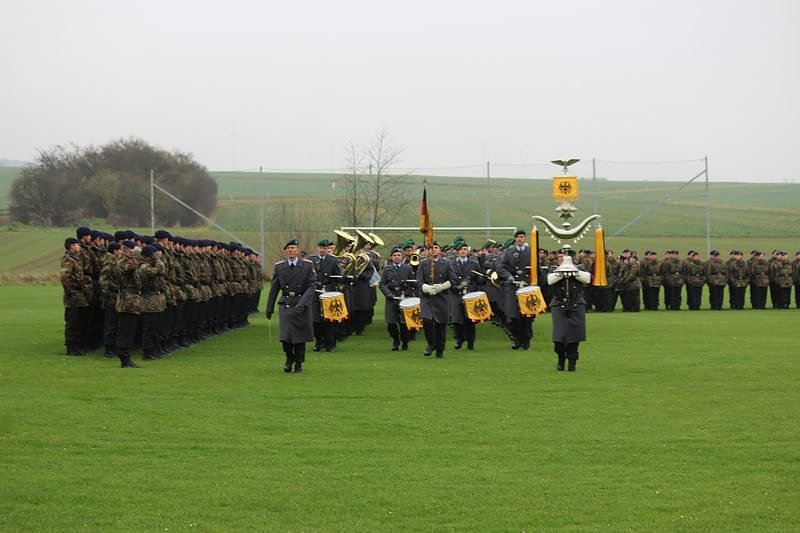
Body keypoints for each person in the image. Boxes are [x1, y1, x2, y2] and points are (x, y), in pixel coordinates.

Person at [265, 239, 317, 373]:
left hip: (301, 304)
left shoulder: (306, 266)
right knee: (286, 337)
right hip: (287, 303)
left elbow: (312, 286)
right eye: (288, 248)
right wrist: (269, 308)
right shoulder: (280, 267)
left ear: (297, 250)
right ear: (285, 251)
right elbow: (274, 288)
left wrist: (303, 303)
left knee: (300, 337)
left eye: (293, 248)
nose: (291, 250)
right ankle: (289, 358)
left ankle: (299, 363)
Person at [547, 248, 592, 371]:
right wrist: (561, 272)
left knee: (574, 337)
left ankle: (572, 363)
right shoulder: (553, 269)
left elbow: (588, 279)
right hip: (559, 304)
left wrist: (574, 272)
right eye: (560, 256)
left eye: (565, 257)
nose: (563, 259)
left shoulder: (580, 268)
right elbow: (549, 281)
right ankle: (561, 358)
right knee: (559, 337)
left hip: (576, 304)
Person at [494, 229, 535, 350]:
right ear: (515, 239)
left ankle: (526, 341)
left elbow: (536, 269)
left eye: (522, 237)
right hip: (513, 287)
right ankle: (516, 339)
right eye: (518, 237)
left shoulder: (531, 252)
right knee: (513, 316)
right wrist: (509, 276)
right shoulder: (509, 252)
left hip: (527, 287)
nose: (520, 239)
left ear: (525, 238)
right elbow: (500, 267)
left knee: (527, 317)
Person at [416, 241, 455, 358]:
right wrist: (425, 287)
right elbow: (419, 281)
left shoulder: (447, 264)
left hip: (442, 298)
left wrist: (442, 287)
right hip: (427, 298)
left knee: (440, 326)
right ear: (428, 251)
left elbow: (453, 280)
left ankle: (440, 350)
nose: (434, 250)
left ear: (440, 250)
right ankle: (431, 344)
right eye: (431, 248)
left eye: (436, 248)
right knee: (427, 321)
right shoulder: (423, 264)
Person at [379, 247, 416, 350]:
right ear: (391, 257)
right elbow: (382, 284)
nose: (397, 257)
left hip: (404, 299)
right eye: (394, 255)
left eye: (398, 255)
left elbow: (412, 283)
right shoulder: (387, 269)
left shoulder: (407, 268)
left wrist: (407, 293)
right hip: (392, 299)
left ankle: (405, 342)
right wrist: (389, 294)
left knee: (404, 323)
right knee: (391, 323)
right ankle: (395, 340)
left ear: (402, 256)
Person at [448, 241, 483, 350]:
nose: (463, 252)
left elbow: (479, 279)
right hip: (456, 294)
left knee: (470, 321)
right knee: (456, 320)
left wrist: (483, 278)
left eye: (464, 249)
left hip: (470, 295)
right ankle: (460, 338)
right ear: (457, 252)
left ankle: (470, 342)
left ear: (467, 251)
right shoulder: (451, 264)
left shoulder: (474, 264)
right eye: (460, 250)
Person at [310, 238, 342, 352]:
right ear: (318, 248)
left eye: (325, 248)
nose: (323, 250)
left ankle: (330, 343)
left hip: (328, 293)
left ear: (328, 249)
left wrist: (329, 287)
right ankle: (318, 341)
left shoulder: (333, 260)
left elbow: (338, 276)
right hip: (315, 293)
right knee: (316, 320)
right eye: (321, 248)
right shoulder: (312, 260)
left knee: (329, 320)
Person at [60, 237, 90, 356]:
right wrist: (71, 291)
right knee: (72, 322)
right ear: (71, 246)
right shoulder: (68, 260)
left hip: (80, 294)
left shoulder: (76, 258)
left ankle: (77, 345)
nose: (79, 247)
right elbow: (64, 277)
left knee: (79, 321)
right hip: (73, 295)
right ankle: (71, 347)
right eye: (77, 245)